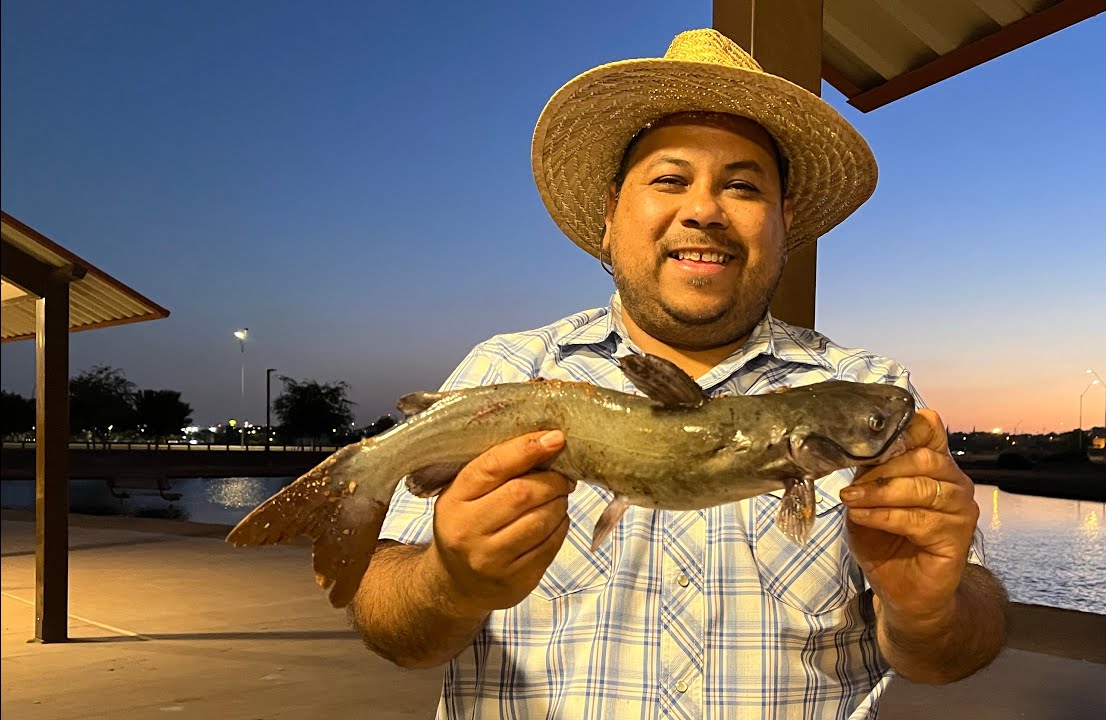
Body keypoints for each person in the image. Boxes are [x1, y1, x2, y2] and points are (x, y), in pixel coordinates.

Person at [349, 28, 1008, 719]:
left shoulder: (865, 385)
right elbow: (394, 629)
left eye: (744, 187)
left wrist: (932, 609)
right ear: (610, 214)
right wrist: (448, 579)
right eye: (669, 179)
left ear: (783, 222)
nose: (703, 210)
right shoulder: (510, 371)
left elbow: (956, 648)